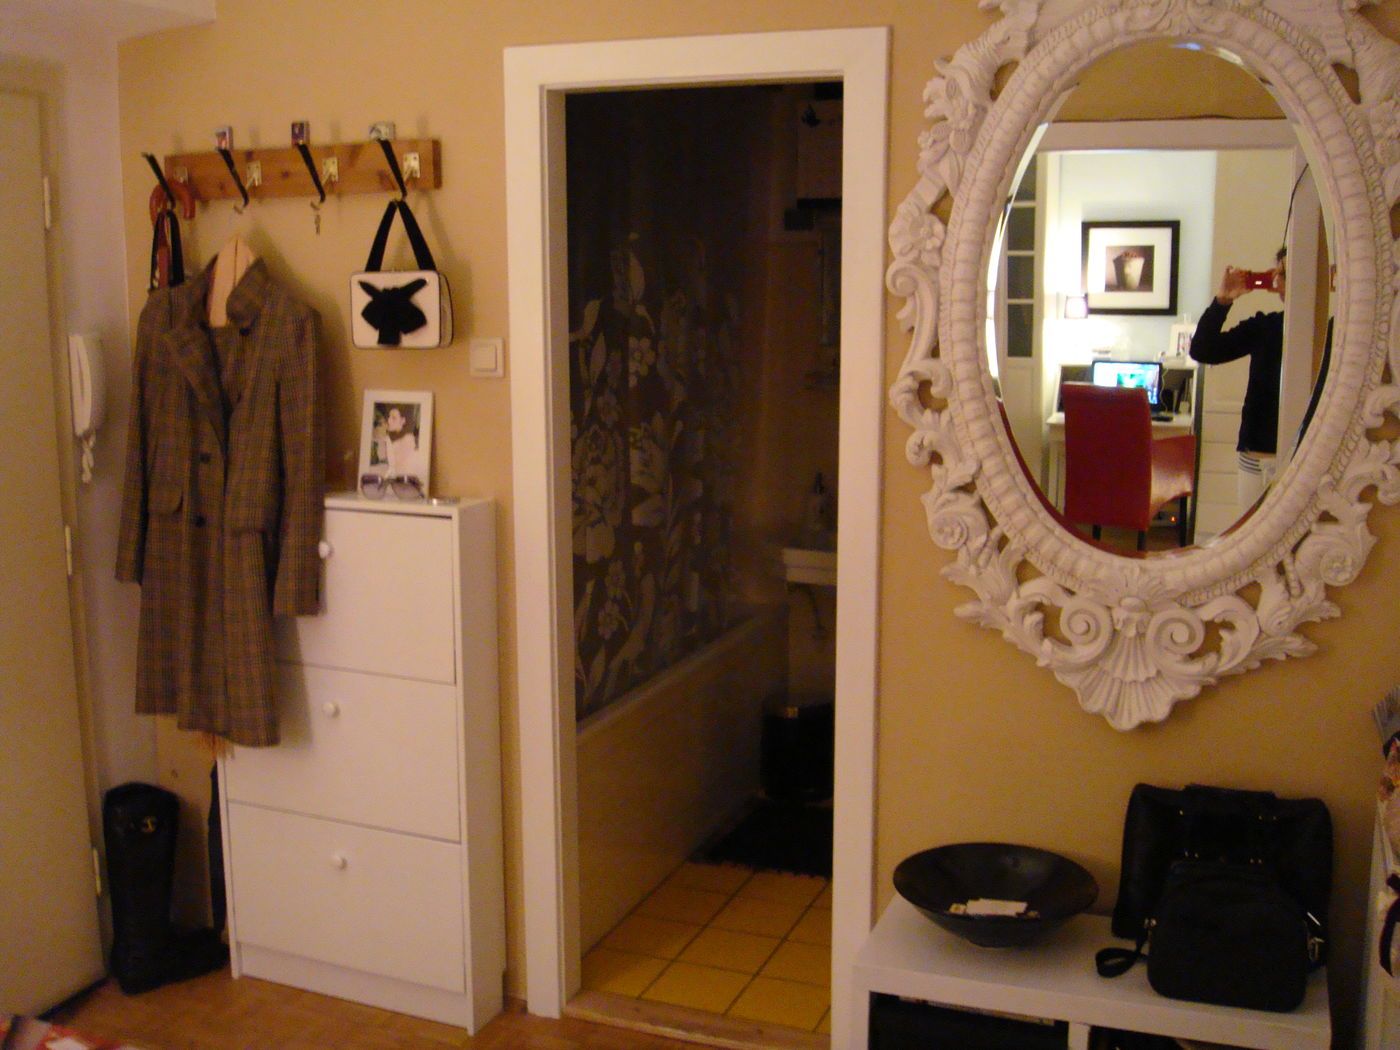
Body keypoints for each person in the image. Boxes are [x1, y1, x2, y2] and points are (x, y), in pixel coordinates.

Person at [1189, 247, 1285, 512]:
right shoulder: (1266, 328)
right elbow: (1203, 350)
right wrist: (1222, 301)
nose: (1277, 280)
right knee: (1251, 531)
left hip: (1311, 452)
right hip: (1259, 453)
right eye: (1277, 273)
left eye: (1284, 274)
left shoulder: (1332, 330)